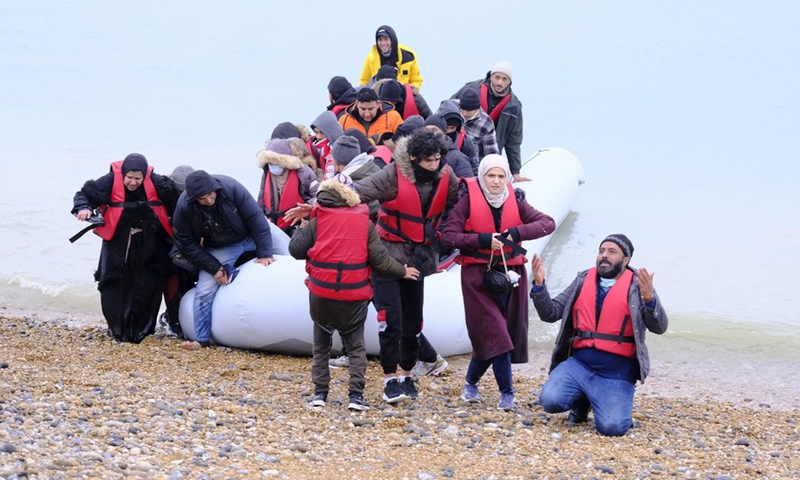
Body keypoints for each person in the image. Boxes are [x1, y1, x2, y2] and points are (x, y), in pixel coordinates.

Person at [288, 178, 420, 411]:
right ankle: (356, 397)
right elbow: (380, 260)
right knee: (356, 347)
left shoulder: (318, 221)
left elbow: (295, 251)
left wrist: (304, 225)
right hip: (354, 295)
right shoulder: (364, 222)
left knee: (321, 346)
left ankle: (320, 395)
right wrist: (402, 271)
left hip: (321, 292)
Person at [352, 128, 459, 403]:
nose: (434, 166)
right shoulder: (392, 175)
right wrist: (323, 201)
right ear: (413, 158)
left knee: (413, 324)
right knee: (391, 322)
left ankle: (407, 375)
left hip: (420, 258)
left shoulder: (445, 176)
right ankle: (389, 379)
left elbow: (464, 199)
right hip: (387, 257)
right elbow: (358, 192)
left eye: (437, 160)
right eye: (428, 161)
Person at [440, 154, 555, 410]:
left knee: (496, 333)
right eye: (491, 175)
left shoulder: (517, 199)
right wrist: (482, 240)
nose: (496, 181)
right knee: (497, 333)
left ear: (507, 178)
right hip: (477, 277)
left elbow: (548, 223)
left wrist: (515, 233)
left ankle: (470, 382)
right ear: (482, 176)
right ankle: (507, 392)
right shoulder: (467, 200)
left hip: (511, 275)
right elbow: (448, 236)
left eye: (501, 176)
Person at [530, 234, 668, 436]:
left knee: (612, 428)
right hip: (579, 365)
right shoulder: (582, 280)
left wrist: (649, 298)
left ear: (625, 260)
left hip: (616, 373)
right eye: (602, 250)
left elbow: (660, 326)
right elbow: (550, 313)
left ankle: (607, 403)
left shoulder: (638, 285)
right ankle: (582, 402)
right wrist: (540, 285)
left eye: (612, 252)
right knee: (550, 401)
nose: (605, 255)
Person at [72, 153, 178, 343]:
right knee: (113, 286)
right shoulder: (110, 179)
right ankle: (117, 329)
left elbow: (177, 204)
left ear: (144, 176)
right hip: (118, 243)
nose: (133, 183)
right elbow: (83, 195)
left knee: (148, 285)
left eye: (138, 179)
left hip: (151, 242)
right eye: (129, 178)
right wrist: (83, 208)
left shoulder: (157, 182)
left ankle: (143, 331)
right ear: (123, 174)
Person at [173, 170, 276, 350]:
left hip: (251, 235)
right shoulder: (184, 208)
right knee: (204, 291)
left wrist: (265, 253)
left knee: (292, 251)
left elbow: (256, 219)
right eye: (202, 198)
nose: (209, 200)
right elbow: (186, 244)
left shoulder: (230, 188)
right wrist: (215, 268)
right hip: (223, 246)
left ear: (215, 188)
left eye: (210, 194)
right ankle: (201, 339)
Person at [452, 61, 529, 182]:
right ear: (490, 76)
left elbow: (513, 141)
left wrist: (515, 172)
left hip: (489, 152)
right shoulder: (471, 89)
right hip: (460, 145)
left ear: (510, 82)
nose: (500, 82)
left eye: (504, 79)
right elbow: (449, 111)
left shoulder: (514, 106)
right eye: (497, 77)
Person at [161, 165, 196, 337]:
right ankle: (172, 319)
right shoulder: (163, 192)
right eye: (179, 191)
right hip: (165, 246)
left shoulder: (198, 195)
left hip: (186, 246)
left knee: (187, 283)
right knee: (171, 283)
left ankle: (180, 319)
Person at [257, 138, 319, 236]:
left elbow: (318, 196)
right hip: (274, 229)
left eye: (276, 162)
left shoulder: (303, 173)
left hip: (299, 227)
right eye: (270, 163)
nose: (273, 166)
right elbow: (261, 202)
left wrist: (307, 207)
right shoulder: (266, 174)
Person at [359, 25, 423, 89]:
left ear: (392, 40)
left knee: (419, 98)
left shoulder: (408, 57)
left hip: (402, 95)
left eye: (386, 39)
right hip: (378, 95)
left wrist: (409, 91)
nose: (383, 43)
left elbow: (416, 81)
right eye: (380, 40)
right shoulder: (371, 57)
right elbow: (364, 81)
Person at [339, 88, 403, 145]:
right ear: (357, 104)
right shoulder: (344, 120)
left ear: (378, 104)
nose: (367, 114)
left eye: (371, 109)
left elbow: (402, 141)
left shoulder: (393, 117)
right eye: (363, 109)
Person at [435, 99, 481, 175]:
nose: (449, 131)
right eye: (446, 128)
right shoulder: (429, 137)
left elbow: (474, 169)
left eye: (452, 128)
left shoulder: (466, 141)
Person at [454, 89, 499, 165]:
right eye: (462, 109)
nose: (464, 113)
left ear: (476, 108)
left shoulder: (486, 123)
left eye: (468, 110)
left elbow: (491, 153)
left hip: (471, 164)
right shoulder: (451, 108)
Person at [307, 111, 345, 178]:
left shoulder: (343, 149)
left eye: (322, 132)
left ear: (331, 131)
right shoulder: (314, 148)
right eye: (316, 132)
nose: (318, 136)